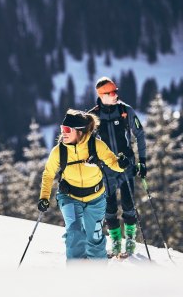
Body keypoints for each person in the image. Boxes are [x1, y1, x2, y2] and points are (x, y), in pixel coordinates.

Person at [38, 109, 128, 261]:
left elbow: (113, 162)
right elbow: (48, 174)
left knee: (95, 239)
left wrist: (122, 164)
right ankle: (76, 275)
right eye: (62, 129)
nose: (63, 133)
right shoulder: (59, 151)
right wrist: (44, 197)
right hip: (70, 198)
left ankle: (98, 274)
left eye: (67, 129)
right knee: (74, 234)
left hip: (96, 199)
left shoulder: (96, 145)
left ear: (79, 132)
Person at [88, 77, 147, 257]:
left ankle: (130, 240)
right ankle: (115, 241)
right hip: (105, 170)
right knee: (110, 208)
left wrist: (142, 161)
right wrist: (91, 159)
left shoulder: (125, 110)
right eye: (111, 93)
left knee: (129, 205)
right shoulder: (93, 116)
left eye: (116, 92)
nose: (115, 95)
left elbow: (140, 134)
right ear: (102, 95)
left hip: (126, 165)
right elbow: (86, 144)